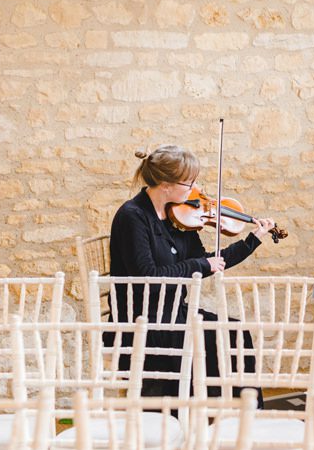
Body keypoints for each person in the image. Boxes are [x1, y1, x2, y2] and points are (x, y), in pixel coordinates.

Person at [107, 145, 277, 396]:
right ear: (165, 185)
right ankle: (201, 414)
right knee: (209, 338)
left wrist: (253, 240)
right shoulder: (132, 216)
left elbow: (208, 261)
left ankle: (242, 414)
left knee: (235, 332)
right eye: (189, 183)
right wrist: (199, 265)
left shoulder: (178, 217)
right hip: (143, 320)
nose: (196, 189)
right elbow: (149, 278)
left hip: (175, 312)